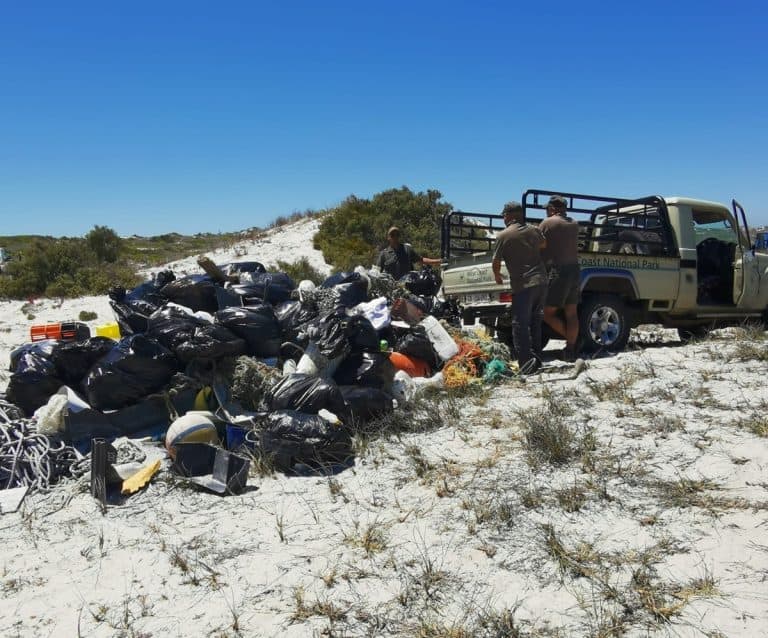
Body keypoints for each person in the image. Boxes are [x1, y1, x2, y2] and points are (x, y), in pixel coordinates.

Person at [492, 201, 548, 373]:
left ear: (511, 215)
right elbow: (543, 244)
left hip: (523, 284)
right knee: (535, 322)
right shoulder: (534, 230)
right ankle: (537, 361)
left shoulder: (503, 235)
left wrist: (497, 275)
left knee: (520, 324)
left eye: (504, 215)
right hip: (541, 281)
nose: (503, 218)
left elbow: (496, 261)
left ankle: (526, 365)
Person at [539, 195, 580, 360]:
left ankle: (573, 339)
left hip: (558, 271)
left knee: (547, 313)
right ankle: (571, 348)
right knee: (571, 312)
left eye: (547, 209)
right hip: (574, 269)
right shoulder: (574, 224)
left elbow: (538, 244)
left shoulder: (548, 223)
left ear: (552, 208)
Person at [376, 226, 441, 280]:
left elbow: (421, 260)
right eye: (392, 235)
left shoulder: (407, 249)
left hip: (408, 287)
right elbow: (376, 272)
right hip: (391, 290)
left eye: (397, 235)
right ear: (388, 238)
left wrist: (438, 261)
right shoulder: (384, 254)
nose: (395, 237)